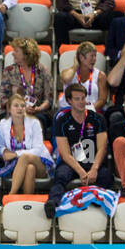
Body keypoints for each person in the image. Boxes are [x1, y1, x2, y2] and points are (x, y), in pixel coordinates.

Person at [46, 83, 112, 218]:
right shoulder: (62, 121)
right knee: (61, 175)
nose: (81, 102)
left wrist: (94, 169)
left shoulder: (97, 119)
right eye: (77, 99)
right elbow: (64, 153)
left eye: (83, 98)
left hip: (93, 161)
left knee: (106, 176)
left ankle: (96, 206)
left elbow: (102, 148)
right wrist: (81, 171)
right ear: (69, 101)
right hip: (72, 163)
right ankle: (53, 203)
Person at [0, 93, 54, 196]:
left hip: (40, 163)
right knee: (30, 169)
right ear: (9, 109)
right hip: (14, 165)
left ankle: (11, 195)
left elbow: (38, 149)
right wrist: (4, 152)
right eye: (16, 106)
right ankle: (26, 203)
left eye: (23, 106)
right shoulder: (3, 124)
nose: (20, 108)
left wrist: (16, 154)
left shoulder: (34, 123)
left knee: (24, 157)